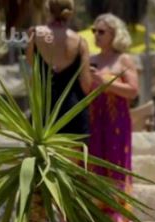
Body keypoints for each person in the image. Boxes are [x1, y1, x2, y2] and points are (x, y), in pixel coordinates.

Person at [89, 13, 139, 222]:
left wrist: (105, 83)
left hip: (116, 120)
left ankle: (118, 210)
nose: (96, 35)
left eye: (101, 32)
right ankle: (96, 208)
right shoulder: (90, 60)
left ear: (114, 34)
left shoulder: (123, 60)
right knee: (94, 159)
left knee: (116, 161)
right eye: (94, 31)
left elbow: (133, 91)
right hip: (93, 118)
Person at [25, 0, 93, 138]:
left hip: (43, 109)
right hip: (72, 109)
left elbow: (32, 64)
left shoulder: (34, 34)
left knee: (42, 157)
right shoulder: (80, 41)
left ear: (47, 10)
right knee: (72, 158)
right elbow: (86, 85)